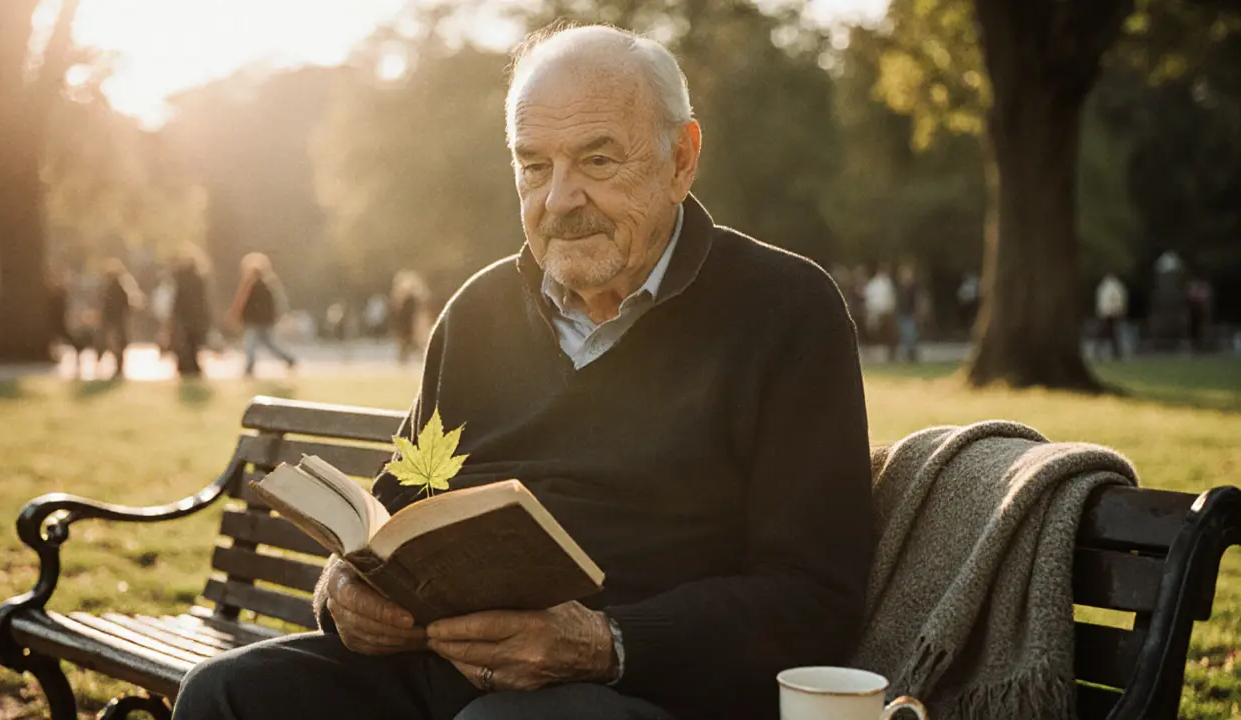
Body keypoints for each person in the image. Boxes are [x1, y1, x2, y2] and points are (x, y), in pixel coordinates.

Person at [173, 25, 872, 720]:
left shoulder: (786, 312)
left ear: (681, 159)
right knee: (224, 695)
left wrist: (605, 642)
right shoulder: (478, 313)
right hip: (433, 671)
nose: (559, 200)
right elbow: (403, 497)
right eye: (534, 166)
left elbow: (813, 594)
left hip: (643, 688)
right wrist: (342, 591)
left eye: (597, 161)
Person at [229, 253, 297, 376]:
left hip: (255, 321)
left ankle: (250, 367)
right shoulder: (268, 285)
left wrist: (240, 316)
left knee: (251, 344)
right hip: (263, 320)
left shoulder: (252, 286)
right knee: (269, 343)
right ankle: (288, 359)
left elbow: (244, 303)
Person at [96, 259, 145, 380]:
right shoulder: (123, 286)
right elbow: (128, 305)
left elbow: (107, 305)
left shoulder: (111, 287)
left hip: (113, 320)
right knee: (118, 345)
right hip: (119, 320)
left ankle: (111, 366)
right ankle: (117, 368)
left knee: (112, 343)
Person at [170, 250, 211, 378]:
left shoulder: (180, 278)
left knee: (184, 343)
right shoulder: (199, 278)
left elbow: (178, 299)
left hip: (184, 316)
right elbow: (203, 300)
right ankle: (192, 368)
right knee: (193, 344)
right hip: (195, 316)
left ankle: (186, 367)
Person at [1095, 272, 1128, 361]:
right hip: (1110, 313)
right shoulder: (1115, 287)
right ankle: (1113, 353)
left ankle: (1109, 353)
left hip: (1109, 313)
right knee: (1112, 335)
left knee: (1109, 334)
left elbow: (1112, 301)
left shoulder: (1109, 287)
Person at [894, 263, 920, 363]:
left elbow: (917, 301)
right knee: (905, 336)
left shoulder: (914, 287)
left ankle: (912, 355)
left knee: (911, 335)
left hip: (910, 314)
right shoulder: (901, 288)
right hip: (902, 314)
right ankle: (908, 356)